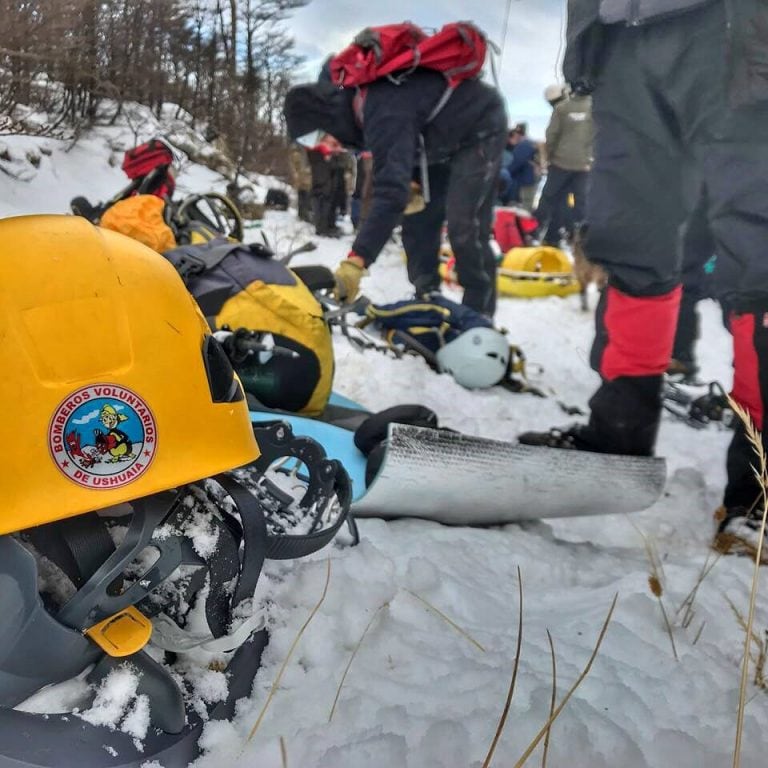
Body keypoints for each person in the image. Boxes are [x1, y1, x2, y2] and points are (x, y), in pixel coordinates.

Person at [519, 0, 768, 563]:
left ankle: (758, 485)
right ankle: (618, 432)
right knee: (632, 241)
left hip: (738, 27)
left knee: (759, 247)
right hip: (619, 37)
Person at [283, 68, 508, 316]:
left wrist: (357, 261)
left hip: (479, 125)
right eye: (311, 144)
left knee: (463, 222)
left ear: (325, 117)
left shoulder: (380, 110)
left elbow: (390, 194)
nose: (325, 148)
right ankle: (427, 294)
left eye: (318, 137)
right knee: (418, 213)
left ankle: (478, 313)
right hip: (435, 140)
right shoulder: (363, 116)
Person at [533, 82, 593, 246]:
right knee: (581, 204)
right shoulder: (594, 108)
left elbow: (551, 136)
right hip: (583, 166)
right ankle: (581, 241)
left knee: (550, 199)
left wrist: (550, 157)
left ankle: (536, 234)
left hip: (561, 163)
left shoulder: (562, 109)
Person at [306, 132, 344, 237]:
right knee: (322, 199)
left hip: (326, 177)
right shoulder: (317, 147)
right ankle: (322, 228)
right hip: (321, 179)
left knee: (328, 198)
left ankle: (328, 226)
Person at [499, 123, 541, 211]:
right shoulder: (528, 146)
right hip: (526, 186)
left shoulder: (524, 147)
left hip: (522, 188)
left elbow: (511, 168)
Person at [288, 142, 313, 222]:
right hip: (302, 175)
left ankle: (304, 214)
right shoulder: (298, 149)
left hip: (304, 175)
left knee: (304, 193)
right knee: (304, 193)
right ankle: (304, 214)